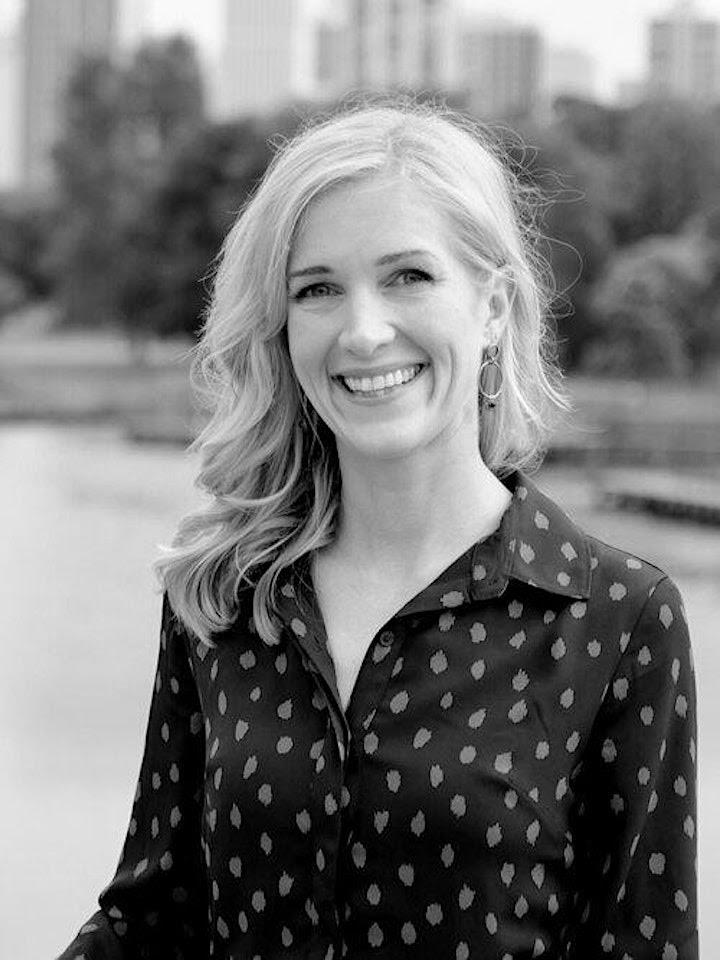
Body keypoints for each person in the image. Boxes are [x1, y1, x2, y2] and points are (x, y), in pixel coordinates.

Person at [58, 99, 697, 960]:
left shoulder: (619, 618)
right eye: (318, 289)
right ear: (283, 329)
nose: (363, 331)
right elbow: (153, 922)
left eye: (409, 276)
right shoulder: (223, 596)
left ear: (496, 306)